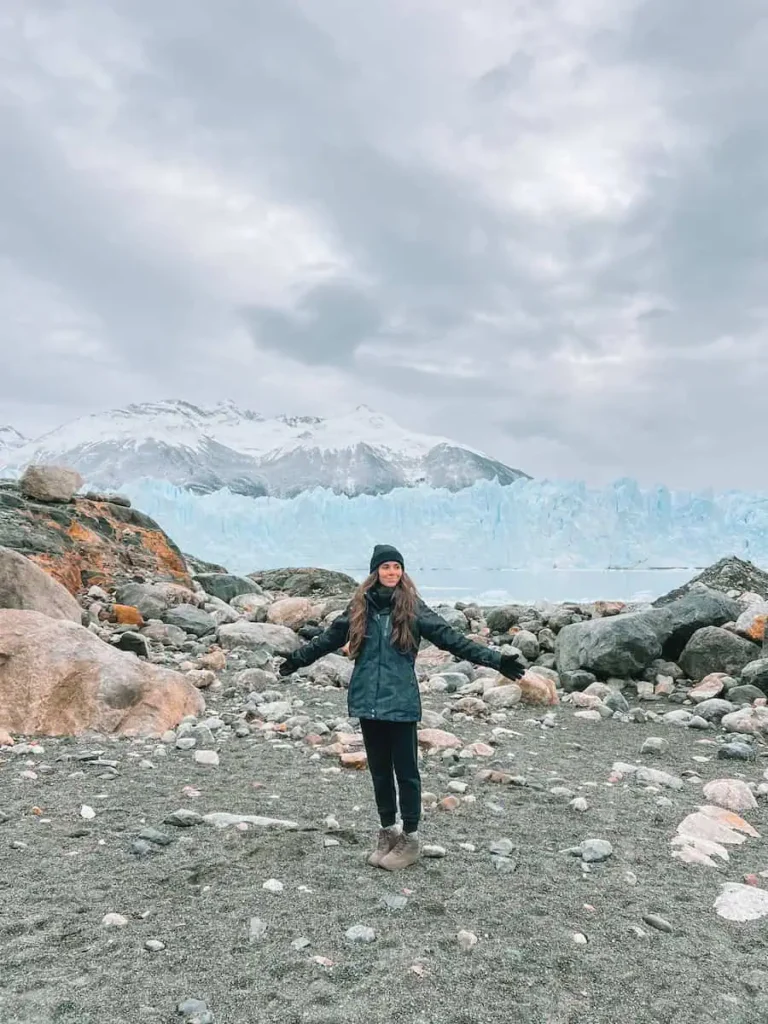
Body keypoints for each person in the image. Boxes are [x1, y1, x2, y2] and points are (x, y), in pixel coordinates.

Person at [278, 544, 525, 871]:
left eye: (397, 567)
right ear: (375, 572)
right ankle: (388, 831)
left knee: (406, 773)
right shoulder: (359, 608)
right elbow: (327, 640)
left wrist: (496, 660)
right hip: (368, 702)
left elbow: (452, 639)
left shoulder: (413, 609)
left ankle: (410, 837)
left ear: (402, 572)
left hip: (401, 702)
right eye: (386, 567)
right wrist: (296, 660)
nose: (392, 572)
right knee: (380, 772)